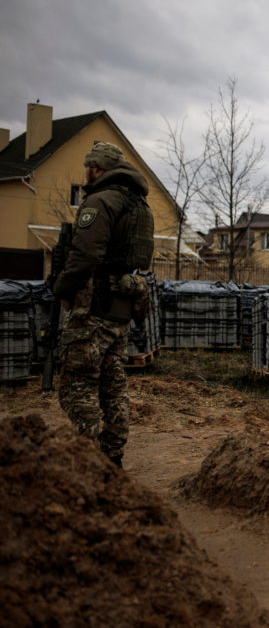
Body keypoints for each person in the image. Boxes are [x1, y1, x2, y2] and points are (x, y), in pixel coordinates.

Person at [51, 141, 154, 468]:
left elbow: (85, 255)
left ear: (96, 168)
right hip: (120, 308)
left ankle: (92, 457)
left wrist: (62, 288)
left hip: (93, 307)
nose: (86, 171)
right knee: (113, 387)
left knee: (76, 387)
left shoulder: (100, 201)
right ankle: (112, 457)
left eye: (88, 166)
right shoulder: (137, 204)